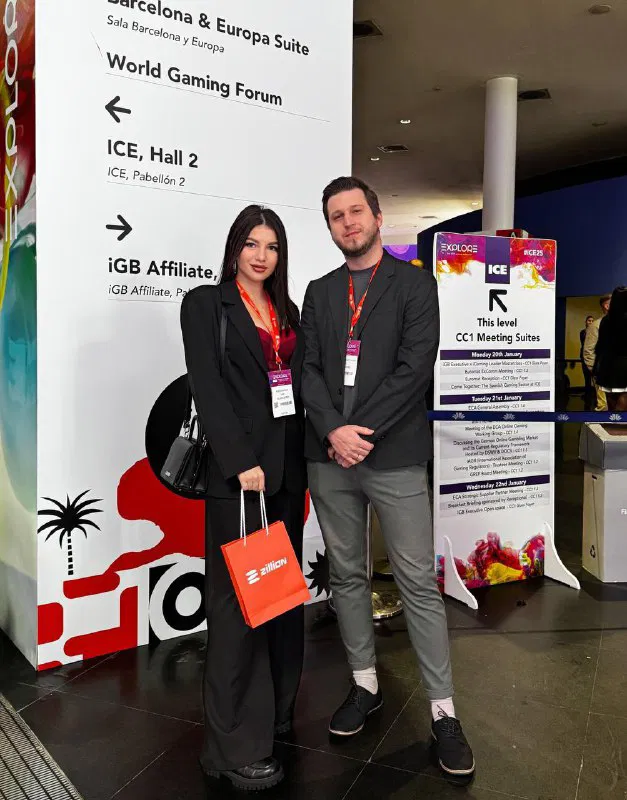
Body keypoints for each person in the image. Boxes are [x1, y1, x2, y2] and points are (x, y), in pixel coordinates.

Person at [301, 176, 475, 779]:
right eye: (336, 216)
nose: (347, 223)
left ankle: (444, 713)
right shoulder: (319, 292)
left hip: (392, 455)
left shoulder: (414, 283)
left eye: (356, 212)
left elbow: (413, 369)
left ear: (377, 216)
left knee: (416, 585)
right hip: (328, 459)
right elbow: (309, 373)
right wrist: (332, 433)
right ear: (329, 227)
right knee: (346, 574)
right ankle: (365, 684)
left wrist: (357, 432)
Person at [180, 205, 306, 791]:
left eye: (272, 246)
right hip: (240, 480)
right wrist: (240, 463)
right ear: (235, 248)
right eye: (251, 244)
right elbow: (207, 388)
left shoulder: (287, 311)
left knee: (277, 599)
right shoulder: (206, 305)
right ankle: (230, 749)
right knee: (235, 611)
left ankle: (276, 717)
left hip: (285, 477)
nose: (261, 255)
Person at [594, 286, 627, 412]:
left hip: (607, 366)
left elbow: (600, 345)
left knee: (611, 402)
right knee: (623, 401)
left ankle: (611, 427)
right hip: (623, 366)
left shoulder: (604, 321)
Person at [583, 294, 611, 411]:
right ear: (607, 306)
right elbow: (588, 351)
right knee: (604, 407)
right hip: (603, 373)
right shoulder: (595, 326)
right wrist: (596, 371)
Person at [580, 315, 594, 410]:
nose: (591, 322)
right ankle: (587, 396)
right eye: (589, 321)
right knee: (587, 378)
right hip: (585, 357)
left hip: (595, 357)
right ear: (586, 322)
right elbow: (584, 342)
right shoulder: (583, 332)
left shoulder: (597, 332)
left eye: (592, 321)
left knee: (596, 379)